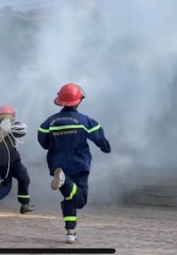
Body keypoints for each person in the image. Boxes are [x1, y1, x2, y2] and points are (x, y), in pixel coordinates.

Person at [37, 83, 111, 244]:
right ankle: (63, 180)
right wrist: (106, 148)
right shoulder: (85, 121)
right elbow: (99, 138)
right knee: (80, 200)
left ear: (60, 101)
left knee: (69, 198)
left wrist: (55, 144)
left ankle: (70, 232)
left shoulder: (50, 122)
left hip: (57, 164)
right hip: (79, 164)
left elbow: (43, 140)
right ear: (78, 101)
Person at [0, 105, 35, 216]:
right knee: (24, 178)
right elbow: (22, 132)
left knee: (6, 184)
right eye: (13, 115)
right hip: (12, 160)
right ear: (9, 115)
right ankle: (24, 205)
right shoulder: (6, 127)